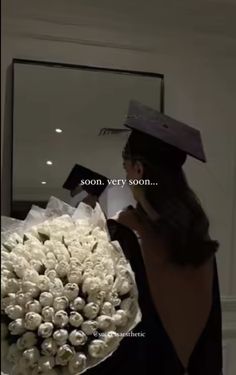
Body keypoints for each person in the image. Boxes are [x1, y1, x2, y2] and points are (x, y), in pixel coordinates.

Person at [87, 101, 222, 375]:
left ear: (138, 169)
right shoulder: (200, 241)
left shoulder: (123, 236)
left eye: (126, 169)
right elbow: (210, 340)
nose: (127, 177)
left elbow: (113, 339)